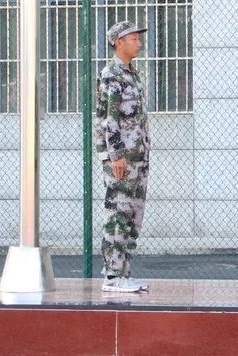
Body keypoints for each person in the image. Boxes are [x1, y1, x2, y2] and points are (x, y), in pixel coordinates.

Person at [95, 20, 151, 293]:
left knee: (132, 216)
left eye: (138, 38)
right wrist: (116, 155)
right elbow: (109, 118)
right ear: (118, 42)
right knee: (118, 213)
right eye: (133, 39)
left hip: (137, 157)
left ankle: (124, 272)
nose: (138, 43)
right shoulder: (111, 75)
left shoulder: (132, 75)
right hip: (121, 160)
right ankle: (112, 274)